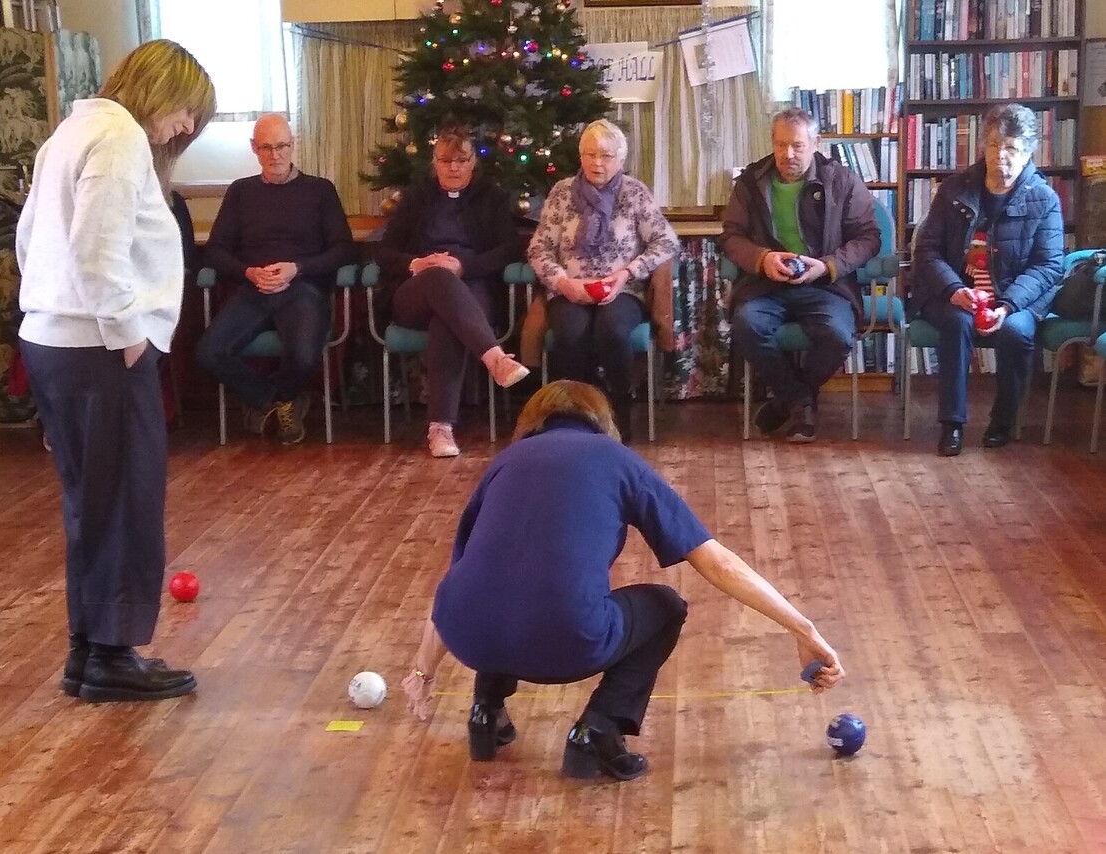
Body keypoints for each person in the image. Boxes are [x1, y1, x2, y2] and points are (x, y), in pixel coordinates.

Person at [400, 380, 845, 781]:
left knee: (501, 584)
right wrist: (802, 628)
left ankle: (485, 714)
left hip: (468, 637)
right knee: (666, 606)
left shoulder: (505, 462)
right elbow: (719, 564)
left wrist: (423, 669)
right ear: (602, 421)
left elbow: (456, 581)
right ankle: (599, 730)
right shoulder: (616, 460)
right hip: (567, 643)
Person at [16, 39, 215, 702]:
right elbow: (95, 250)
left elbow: (27, 241)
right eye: (188, 110)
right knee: (126, 500)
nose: (186, 127)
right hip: (99, 348)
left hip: (57, 341)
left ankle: (88, 651)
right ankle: (111, 656)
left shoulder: (71, 133)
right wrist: (129, 332)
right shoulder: (120, 138)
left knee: (91, 502)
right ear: (160, 90)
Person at [910, 103, 1063, 456]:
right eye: (994, 146)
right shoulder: (954, 191)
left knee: (1016, 332)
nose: (1000, 157)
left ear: (1027, 152)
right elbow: (928, 251)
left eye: (1010, 148)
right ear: (984, 147)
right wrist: (952, 289)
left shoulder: (1044, 199)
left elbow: (1049, 265)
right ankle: (952, 424)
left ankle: (1003, 420)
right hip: (955, 294)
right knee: (955, 322)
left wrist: (1008, 304)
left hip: (1016, 298)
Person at [195, 113, 357, 445]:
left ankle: (272, 404)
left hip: (303, 288)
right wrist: (248, 272)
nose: (275, 155)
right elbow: (214, 251)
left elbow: (344, 251)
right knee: (208, 352)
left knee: (302, 355)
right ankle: (278, 400)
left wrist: (297, 268)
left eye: (282, 146)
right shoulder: (241, 192)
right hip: (253, 289)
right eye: (266, 147)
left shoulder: (319, 190)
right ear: (254, 149)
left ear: (293, 145)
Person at [721, 107, 881, 443]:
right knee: (746, 326)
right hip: (765, 284)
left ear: (816, 143)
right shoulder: (751, 182)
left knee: (837, 335)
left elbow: (868, 238)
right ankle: (799, 401)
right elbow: (731, 236)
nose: (787, 154)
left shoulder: (842, 181)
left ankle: (787, 401)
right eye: (780, 145)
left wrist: (827, 266)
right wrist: (762, 259)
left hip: (825, 284)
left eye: (797, 146)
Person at [375, 122, 529, 458]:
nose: (454, 168)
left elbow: (507, 250)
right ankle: (495, 358)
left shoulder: (492, 198)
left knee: (446, 320)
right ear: (435, 163)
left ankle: (440, 429)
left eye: (461, 160)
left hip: (473, 292)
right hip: (416, 292)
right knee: (438, 277)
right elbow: (384, 251)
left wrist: (463, 266)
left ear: (474, 162)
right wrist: (417, 263)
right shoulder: (416, 198)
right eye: (446, 161)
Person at [527, 119, 679, 441]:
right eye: (590, 154)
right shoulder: (562, 193)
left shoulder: (634, 192)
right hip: (569, 289)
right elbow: (538, 249)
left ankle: (617, 416)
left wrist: (626, 274)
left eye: (607, 156)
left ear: (621, 160)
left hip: (623, 290)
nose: (598, 162)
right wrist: (563, 283)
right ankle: (574, 419)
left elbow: (666, 242)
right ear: (580, 156)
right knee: (569, 334)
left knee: (611, 331)